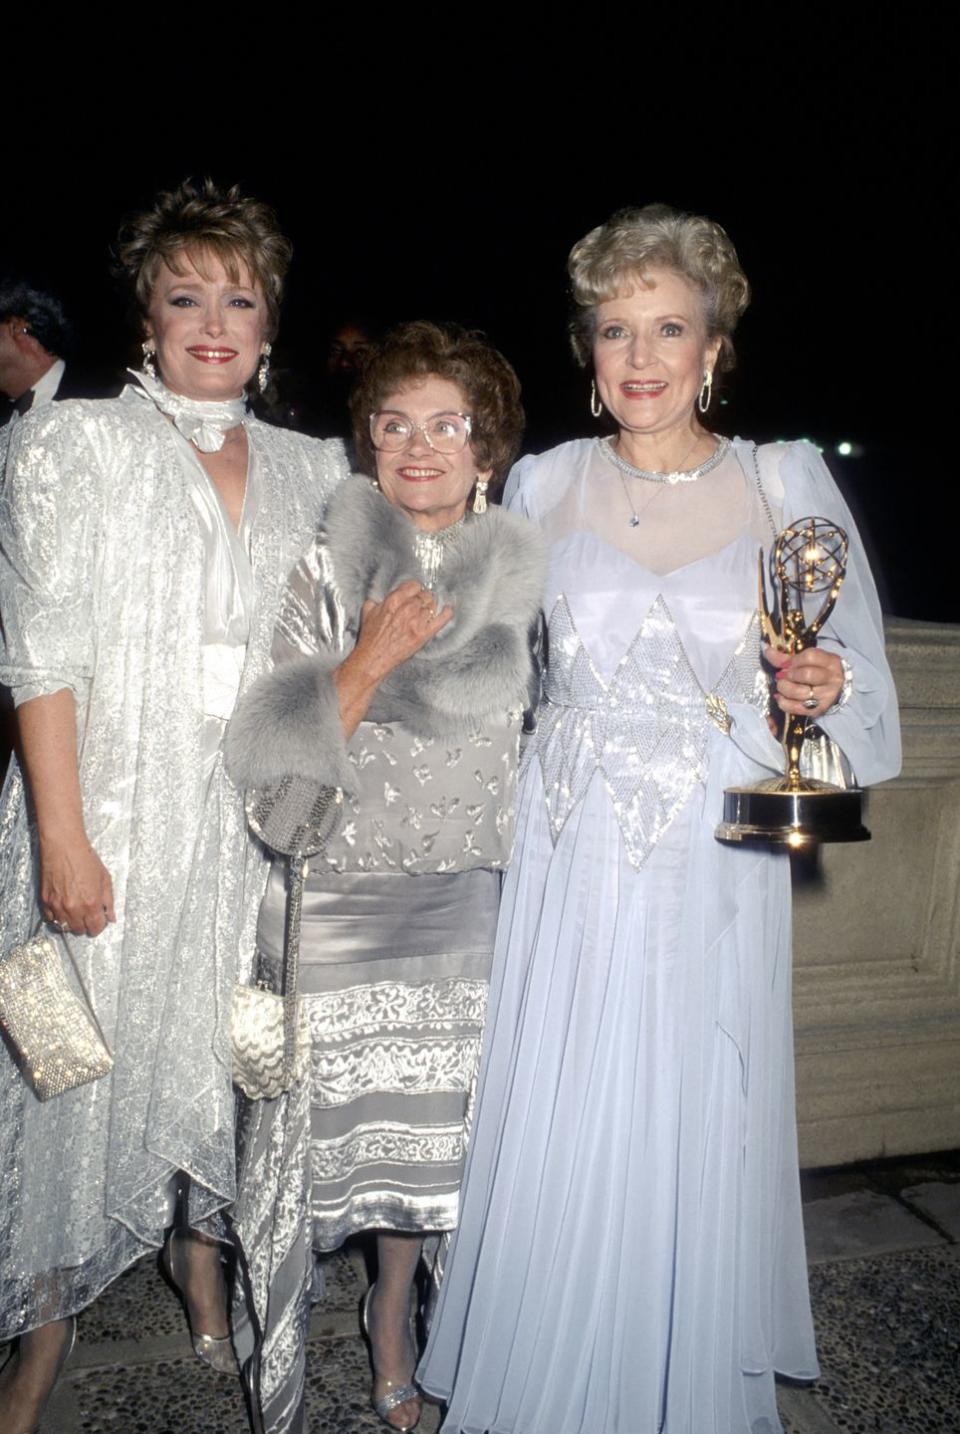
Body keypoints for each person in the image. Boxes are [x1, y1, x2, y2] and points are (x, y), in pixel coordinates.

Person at [418, 205, 901, 1434]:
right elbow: (481, 665)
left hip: (709, 850)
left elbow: (853, 671)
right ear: (587, 351)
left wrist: (821, 683)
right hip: (568, 850)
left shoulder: (780, 479)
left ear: (714, 348)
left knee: (691, 1099)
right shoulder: (541, 481)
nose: (641, 356)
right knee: (561, 1095)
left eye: (669, 328)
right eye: (615, 329)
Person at [0, 179, 349, 1432]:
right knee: (69, 1075)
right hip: (109, 809)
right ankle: (41, 1328)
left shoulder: (321, 467)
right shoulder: (68, 443)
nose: (214, 320)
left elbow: (339, 656)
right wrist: (62, 838)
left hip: (249, 825)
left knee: (232, 1053)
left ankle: (202, 1258)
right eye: (185, 294)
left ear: (269, 323)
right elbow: (42, 655)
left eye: (239, 299)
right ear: (144, 315)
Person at [225, 320, 544, 1433]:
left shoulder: (524, 583)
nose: (419, 448)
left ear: (487, 446)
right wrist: (365, 664)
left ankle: (398, 1322)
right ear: (366, 445)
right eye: (394, 425)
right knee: (307, 1171)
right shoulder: (327, 568)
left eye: (447, 425)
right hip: (338, 916)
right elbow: (271, 784)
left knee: (435, 1167)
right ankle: (283, 1379)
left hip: (467, 910)